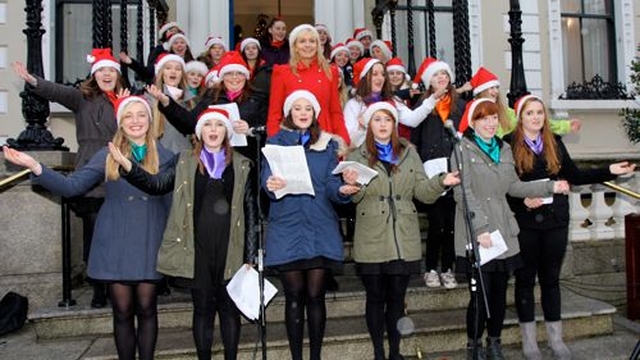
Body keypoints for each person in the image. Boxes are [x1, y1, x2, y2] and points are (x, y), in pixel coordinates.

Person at [3, 95, 174, 360]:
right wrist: (35, 166)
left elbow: (172, 202)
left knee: (147, 308)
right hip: (115, 238)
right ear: (120, 123)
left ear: (150, 120)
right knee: (122, 310)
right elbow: (72, 186)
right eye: (128, 116)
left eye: (141, 115)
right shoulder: (107, 153)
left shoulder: (166, 156)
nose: (135, 121)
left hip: (150, 238)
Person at [108, 106, 259, 360]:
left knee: (229, 311)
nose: (213, 130)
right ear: (200, 132)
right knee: (202, 310)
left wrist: (251, 256)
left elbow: (251, 210)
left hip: (231, 248)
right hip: (197, 248)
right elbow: (157, 185)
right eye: (208, 125)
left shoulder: (244, 165)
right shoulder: (183, 160)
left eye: (219, 125)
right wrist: (128, 166)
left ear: (227, 131)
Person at [505, 95, 635, 360]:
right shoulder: (508, 144)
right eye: (530, 113)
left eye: (540, 112)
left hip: (555, 220)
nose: (536, 118)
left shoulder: (555, 142)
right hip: (526, 223)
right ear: (520, 117)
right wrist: (522, 202)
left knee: (551, 280)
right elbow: (502, 187)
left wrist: (611, 170)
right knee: (526, 280)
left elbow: (575, 176)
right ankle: (529, 342)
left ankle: (556, 339)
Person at [450, 98, 570, 360]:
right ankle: (475, 346)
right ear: (473, 121)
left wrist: (550, 187)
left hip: (503, 231)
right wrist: (480, 227)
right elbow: (463, 193)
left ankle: (495, 342)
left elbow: (514, 186)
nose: (491, 123)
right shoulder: (461, 150)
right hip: (477, 231)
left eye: (494, 118)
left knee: (499, 294)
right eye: (484, 118)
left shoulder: (504, 149)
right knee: (480, 296)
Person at [11, 48, 125, 308]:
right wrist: (32, 81)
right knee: (94, 233)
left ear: (117, 75)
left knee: (118, 233)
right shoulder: (81, 98)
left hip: (117, 172)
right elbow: (56, 92)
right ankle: (98, 286)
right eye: (102, 70)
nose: (107, 74)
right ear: (94, 74)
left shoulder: (124, 99)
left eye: (111, 70)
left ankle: (116, 282)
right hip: (90, 175)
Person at [346, 101, 460, 360]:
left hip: (403, 237)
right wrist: (352, 186)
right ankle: (378, 352)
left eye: (388, 120)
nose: (383, 125)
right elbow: (355, 199)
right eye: (377, 120)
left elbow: (421, 192)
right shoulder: (356, 156)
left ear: (395, 125)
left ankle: (395, 352)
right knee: (375, 297)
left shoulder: (409, 153)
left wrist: (442, 182)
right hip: (372, 235)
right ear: (370, 125)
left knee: (397, 298)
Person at [262, 90, 359, 360]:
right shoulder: (276, 142)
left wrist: (343, 190)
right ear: (289, 113)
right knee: (294, 296)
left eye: (308, 108)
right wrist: (270, 185)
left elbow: (329, 184)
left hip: (319, 226)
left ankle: (315, 356)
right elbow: (266, 179)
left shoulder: (327, 145)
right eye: (297, 108)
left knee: (316, 295)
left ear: (315, 113)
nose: (303, 113)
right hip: (287, 226)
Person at [150, 50, 267, 163]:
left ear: (246, 76)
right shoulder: (211, 96)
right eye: (229, 73)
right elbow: (189, 124)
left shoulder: (259, 98)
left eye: (239, 73)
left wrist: (250, 129)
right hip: (215, 159)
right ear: (222, 77)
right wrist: (167, 103)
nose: (235, 78)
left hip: (247, 159)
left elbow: (268, 128)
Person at [409, 57, 465, 289]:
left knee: (452, 224)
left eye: (444, 74)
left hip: (454, 168)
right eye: (436, 75)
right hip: (432, 173)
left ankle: (448, 268)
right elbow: (415, 139)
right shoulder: (422, 106)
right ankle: (431, 268)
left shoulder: (459, 105)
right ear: (429, 81)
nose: (441, 78)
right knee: (436, 224)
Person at [266, 24, 350, 144]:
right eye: (302, 41)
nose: (307, 45)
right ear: (295, 46)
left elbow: (335, 111)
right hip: (291, 139)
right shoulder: (282, 72)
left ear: (318, 45)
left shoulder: (330, 71)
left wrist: (343, 140)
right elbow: (274, 114)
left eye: (312, 41)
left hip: (324, 137)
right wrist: (274, 141)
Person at [458, 66, 581, 137]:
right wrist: (460, 89)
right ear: (482, 90)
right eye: (491, 88)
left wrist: (566, 125)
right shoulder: (472, 110)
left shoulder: (505, 112)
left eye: (496, 88)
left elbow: (532, 121)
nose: (495, 91)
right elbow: (463, 133)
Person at [344, 57, 436, 148]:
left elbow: (413, 120)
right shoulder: (354, 104)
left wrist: (433, 99)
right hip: (363, 158)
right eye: (375, 74)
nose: (380, 78)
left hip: (389, 156)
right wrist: (362, 127)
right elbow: (349, 139)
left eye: (383, 74)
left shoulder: (392, 100)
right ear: (364, 78)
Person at [150, 53, 196, 154]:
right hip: (160, 158)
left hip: (185, 158)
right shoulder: (149, 100)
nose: (173, 71)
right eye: (168, 68)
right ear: (161, 73)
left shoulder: (192, 101)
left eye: (178, 69)